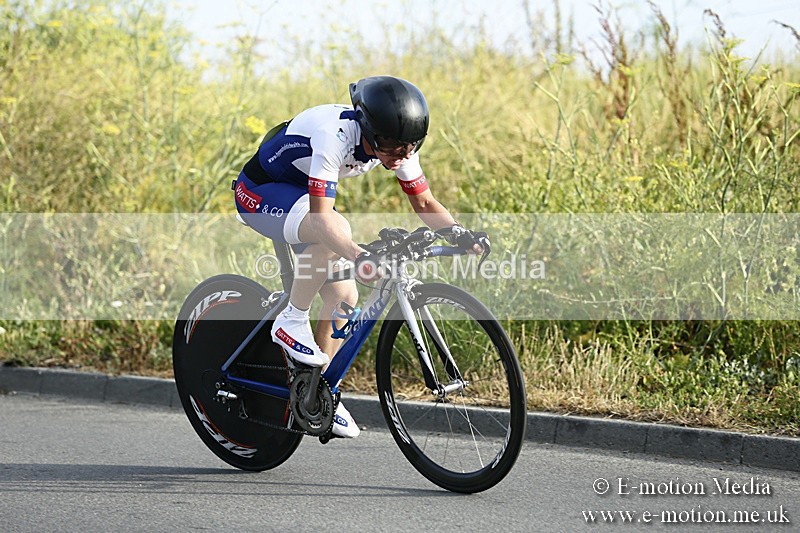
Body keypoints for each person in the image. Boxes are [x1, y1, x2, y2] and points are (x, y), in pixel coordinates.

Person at [233, 76, 486, 438]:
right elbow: (322, 219)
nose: (400, 155)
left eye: (410, 146)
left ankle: (315, 392)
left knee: (344, 297)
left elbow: (426, 203)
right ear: (367, 128)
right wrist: (360, 255)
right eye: (390, 146)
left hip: (298, 195)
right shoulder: (333, 136)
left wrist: (459, 232)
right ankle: (291, 319)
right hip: (258, 193)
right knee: (333, 232)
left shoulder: (398, 144)